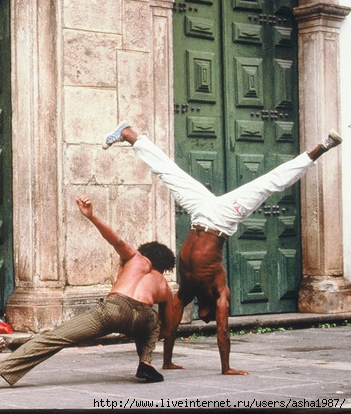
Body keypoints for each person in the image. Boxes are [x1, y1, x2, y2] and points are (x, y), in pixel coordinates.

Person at [102, 121, 343, 375]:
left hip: (199, 214)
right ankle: (323, 147)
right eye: (208, 316)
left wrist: (166, 360)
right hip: (223, 219)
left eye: (205, 316)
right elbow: (221, 329)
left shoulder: (187, 289)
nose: (206, 317)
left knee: (169, 174)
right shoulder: (220, 288)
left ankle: (130, 135)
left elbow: (170, 325)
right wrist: (224, 367)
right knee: (268, 184)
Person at [0, 196, 175, 390]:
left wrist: (91, 216)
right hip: (143, 316)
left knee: (55, 338)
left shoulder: (136, 259)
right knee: (153, 321)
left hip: (114, 310)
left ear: (146, 252)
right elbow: (167, 327)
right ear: (164, 265)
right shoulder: (164, 286)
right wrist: (166, 359)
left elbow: (114, 239)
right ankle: (146, 364)